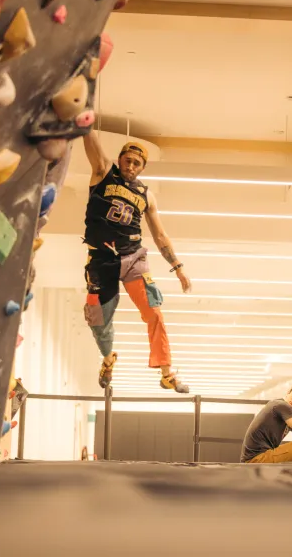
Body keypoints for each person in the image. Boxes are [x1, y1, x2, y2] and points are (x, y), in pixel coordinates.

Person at [81, 131, 191, 392]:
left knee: (154, 312)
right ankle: (108, 359)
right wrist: (84, 121)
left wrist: (178, 269)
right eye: (127, 160)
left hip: (133, 258)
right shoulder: (103, 173)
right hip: (101, 260)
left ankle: (167, 372)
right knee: (97, 320)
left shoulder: (147, 195)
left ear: (143, 167)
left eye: (136, 163)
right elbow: (93, 147)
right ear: (119, 160)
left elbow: (160, 235)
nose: (130, 166)